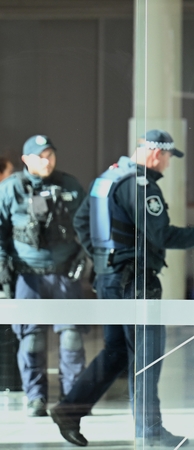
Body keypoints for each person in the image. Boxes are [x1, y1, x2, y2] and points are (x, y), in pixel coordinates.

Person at [50, 129, 194, 448]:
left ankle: (69, 410)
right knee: (145, 356)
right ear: (155, 154)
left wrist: (106, 260)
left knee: (117, 351)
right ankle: (150, 432)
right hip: (136, 283)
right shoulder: (140, 185)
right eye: (167, 158)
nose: (167, 165)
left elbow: (82, 223)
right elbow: (163, 237)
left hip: (109, 280)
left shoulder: (106, 178)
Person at [0, 135, 87, 417]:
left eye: (50, 154)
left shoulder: (70, 185)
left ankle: (72, 398)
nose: (46, 160)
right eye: (40, 156)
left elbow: (89, 226)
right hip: (28, 278)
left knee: (72, 338)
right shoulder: (11, 189)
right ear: (26, 160)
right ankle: (35, 397)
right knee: (32, 339)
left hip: (65, 276)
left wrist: (88, 257)